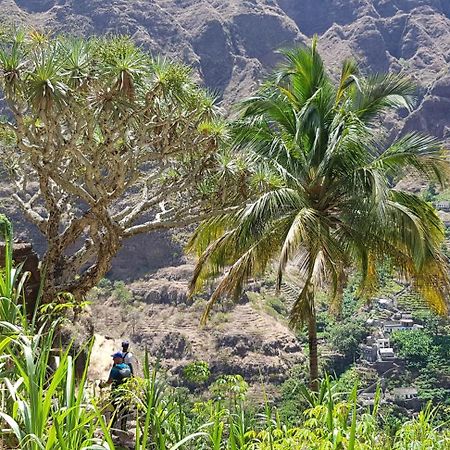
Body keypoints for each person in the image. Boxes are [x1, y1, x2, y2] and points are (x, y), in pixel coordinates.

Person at [100, 352, 131, 431]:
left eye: (114, 357)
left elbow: (109, 382)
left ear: (118, 358)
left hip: (116, 392)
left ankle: (112, 428)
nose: (113, 359)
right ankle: (123, 428)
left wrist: (101, 385)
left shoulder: (115, 369)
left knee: (113, 409)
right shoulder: (127, 367)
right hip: (126, 392)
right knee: (125, 409)